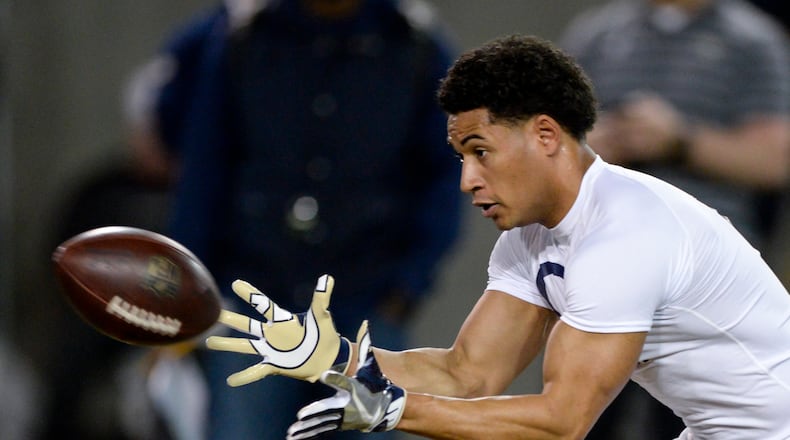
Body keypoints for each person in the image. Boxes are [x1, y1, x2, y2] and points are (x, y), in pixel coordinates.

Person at [206, 34, 790, 439]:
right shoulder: (530, 236)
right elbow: (467, 373)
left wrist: (395, 410)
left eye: (480, 152)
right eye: (460, 156)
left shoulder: (624, 235)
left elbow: (562, 422)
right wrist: (328, 357)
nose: (466, 180)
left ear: (544, 135)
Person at [129, 0, 463, 438]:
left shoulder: (414, 43)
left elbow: (446, 171)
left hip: (367, 305)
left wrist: (406, 286)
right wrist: (179, 297)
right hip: (253, 301)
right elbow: (204, 169)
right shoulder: (242, 38)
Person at [557, 1, 790, 436]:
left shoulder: (754, 40)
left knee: (710, 419)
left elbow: (774, 160)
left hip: (707, 277)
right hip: (604, 257)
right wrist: (593, 143)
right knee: (582, 413)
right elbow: (550, 137)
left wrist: (678, 141)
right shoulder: (598, 33)